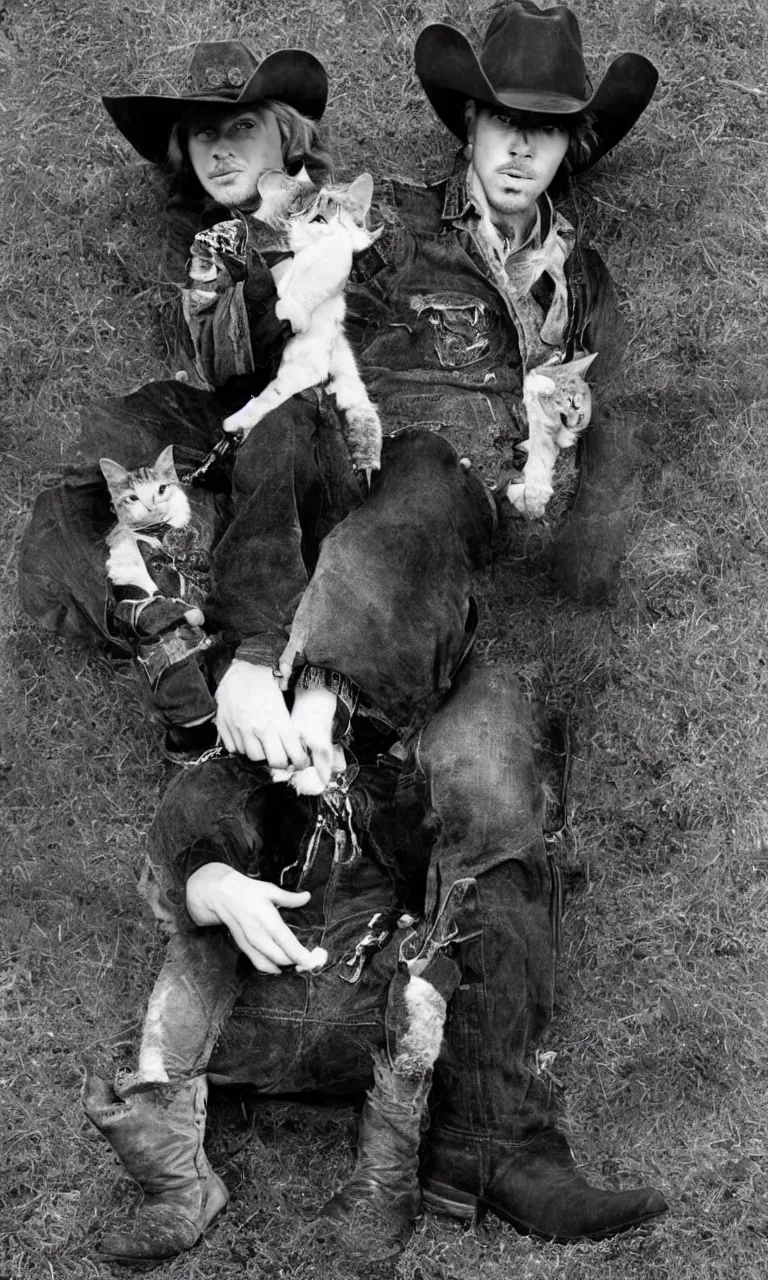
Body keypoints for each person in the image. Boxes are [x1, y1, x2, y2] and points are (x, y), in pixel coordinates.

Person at [20, 3, 669, 1265]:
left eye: (547, 132)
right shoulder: (392, 232)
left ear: (567, 145)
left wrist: (593, 489)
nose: (521, 153)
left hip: (454, 578)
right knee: (401, 465)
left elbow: (590, 450)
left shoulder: (584, 279)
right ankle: (285, 686)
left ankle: (500, 1150)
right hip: (350, 538)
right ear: (467, 125)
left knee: (501, 781)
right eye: (503, 125)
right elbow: (283, 381)